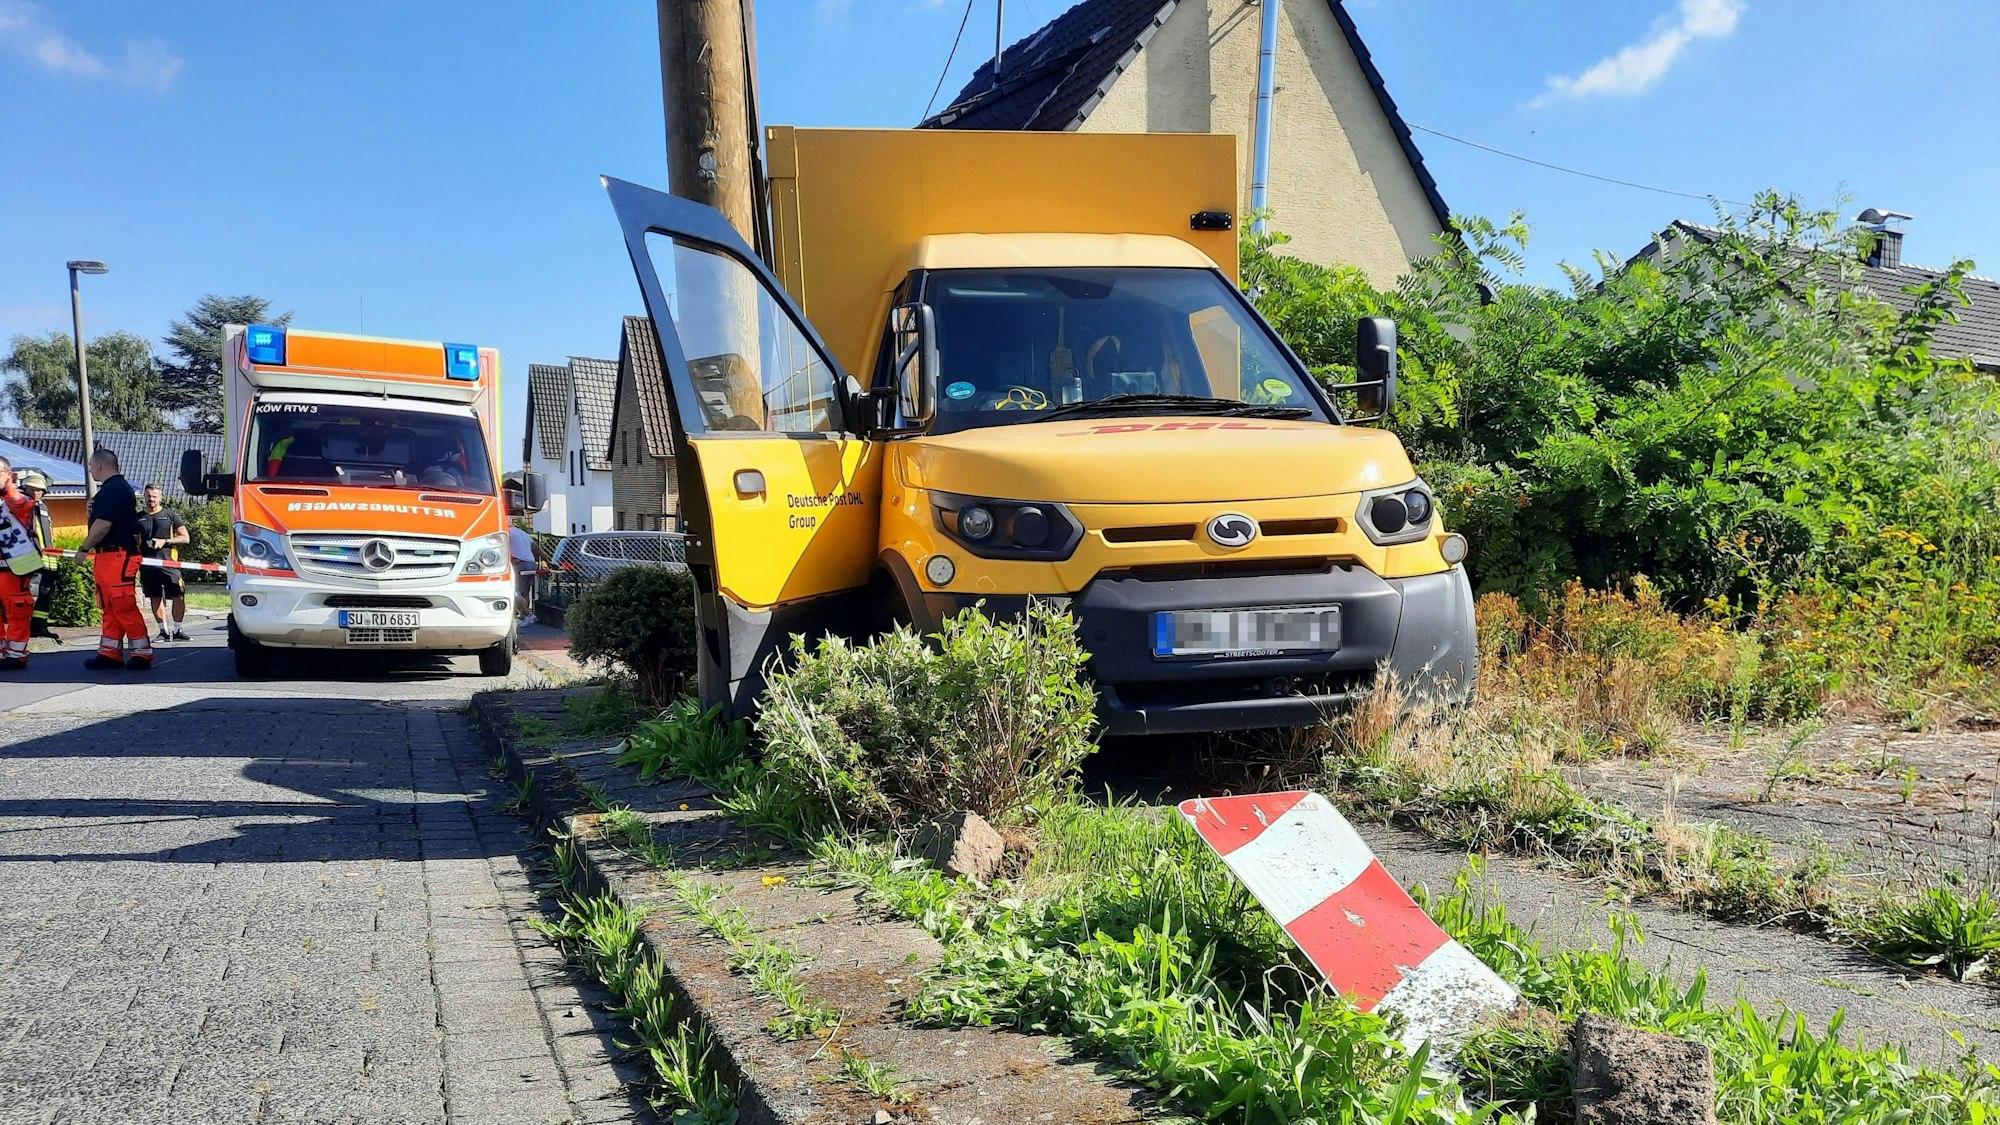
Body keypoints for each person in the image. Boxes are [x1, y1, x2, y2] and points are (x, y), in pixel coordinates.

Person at [77, 449, 151, 671]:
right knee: (109, 605)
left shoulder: (114, 489)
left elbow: (103, 525)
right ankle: (110, 652)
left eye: (90, 466)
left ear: (100, 465)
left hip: (117, 555)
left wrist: (84, 548)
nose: (89, 470)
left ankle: (142, 652)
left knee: (122, 604)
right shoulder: (112, 489)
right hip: (109, 555)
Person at [0, 458, 47, 670]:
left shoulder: (20, 501)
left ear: (9, 475)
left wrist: (7, 487)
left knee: (17, 610)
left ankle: (16, 653)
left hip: (14, 567)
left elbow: (17, 503)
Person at [137, 483, 190, 642]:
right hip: (147, 564)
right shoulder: (138, 517)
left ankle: (178, 629)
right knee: (155, 597)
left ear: (161, 498)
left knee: (178, 596)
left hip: (169, 563)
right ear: (144, 497)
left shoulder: (170, 515)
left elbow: (185, 538)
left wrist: (165, 541)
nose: (151, 499)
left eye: (154, 496)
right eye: (148, 496)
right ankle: (163, 631)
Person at [18, 470, 57, 639]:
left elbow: (48, 532)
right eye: (33, 489)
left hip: (49, 560)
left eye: (40, 490)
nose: (36, 492)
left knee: (45, 595)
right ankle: (23, 629)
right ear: (25, 488)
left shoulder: (43, 507)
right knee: (29, 596)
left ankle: (40, 627)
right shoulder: (19, 506)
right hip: (30, 560)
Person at [509, 523, 536, 621]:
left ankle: (528, 615)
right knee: (525, 592)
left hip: (519, 564)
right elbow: (535, 547)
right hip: (531, 564)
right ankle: (524, 616)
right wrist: (547, 561)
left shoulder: (507, 532)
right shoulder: (523, 534)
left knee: (515, 592)